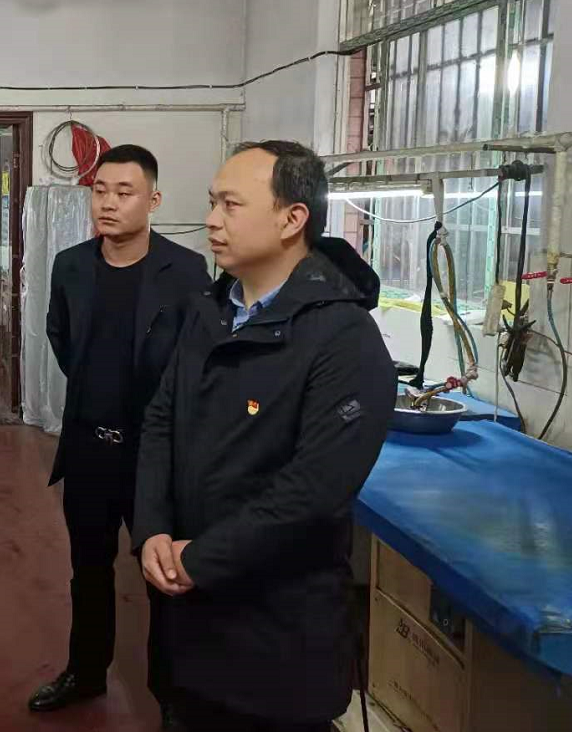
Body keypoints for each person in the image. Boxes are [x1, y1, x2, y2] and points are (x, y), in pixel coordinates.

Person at [134, 140, 395, 732]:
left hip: (277, 644)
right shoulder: (210, 313)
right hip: (188, 624)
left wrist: (200, 559)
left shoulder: (342, 339)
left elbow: (313, 492)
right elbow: (160, 421)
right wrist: (152, 529)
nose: (211, 219)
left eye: (230, 204)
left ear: (291, 219)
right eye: (212, 202)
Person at [29, 145, 210, 713]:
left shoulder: (185, 272)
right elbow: (61, 337)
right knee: (88, 569)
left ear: (153, 201)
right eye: (100, 191)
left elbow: (195, 362)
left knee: (164, 575)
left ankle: (172, 696)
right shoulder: (72, 266)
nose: (108, 202)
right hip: (89, 448)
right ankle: (85, 673)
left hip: (154, 455)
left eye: (124, 192)